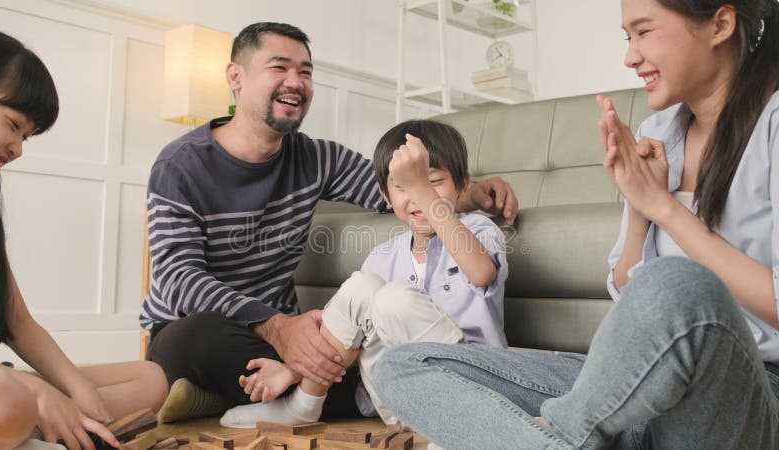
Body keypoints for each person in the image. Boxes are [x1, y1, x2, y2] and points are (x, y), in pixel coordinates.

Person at [372, 0, 779, 448]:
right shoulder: (661, 132)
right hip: (629, 388)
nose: (630, 56)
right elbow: (630, 295)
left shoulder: (773, 124)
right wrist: (640, 210)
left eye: (644, 32)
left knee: (680, 283)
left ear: (720, 25)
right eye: (628, 37)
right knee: (406, 366)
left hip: (745, 392)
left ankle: (565, 432)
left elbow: (682, 297)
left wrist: (664, 207)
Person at [141, 22, 519, 423]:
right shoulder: (179, 166)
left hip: (288, 338)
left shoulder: (318, 158)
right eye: (279, 68)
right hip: (209, 329)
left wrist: (471, 193)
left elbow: (396, 190)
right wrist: (275, 326)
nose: (295, 82)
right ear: (236, 76)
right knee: (201, 337)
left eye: (305, 72)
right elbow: (179, 280)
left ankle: (241, 395)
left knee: (341, 363)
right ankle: (249, 390)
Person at [216, 119, 509, 428]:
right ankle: (302, 406)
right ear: (385, 195)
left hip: (475, 391)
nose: (417, 196)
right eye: (403, 186)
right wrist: (292, 370)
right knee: (362, 288)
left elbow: (481, 273)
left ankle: (462, 427)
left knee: (393, 299)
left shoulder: (478, 230)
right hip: (403, 399)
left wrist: (421, 189)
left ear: (463, 184)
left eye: (433, 182)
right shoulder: (384, 256)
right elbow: (348, 333)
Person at [0, 26, 168, 450]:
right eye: (12, 125)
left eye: (26, 136)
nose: (18, 149)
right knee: (4, 400)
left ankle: (39, 421)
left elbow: (16, 321)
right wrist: (35, 391)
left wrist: (77, 391)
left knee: (149, 378)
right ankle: (29, 417)